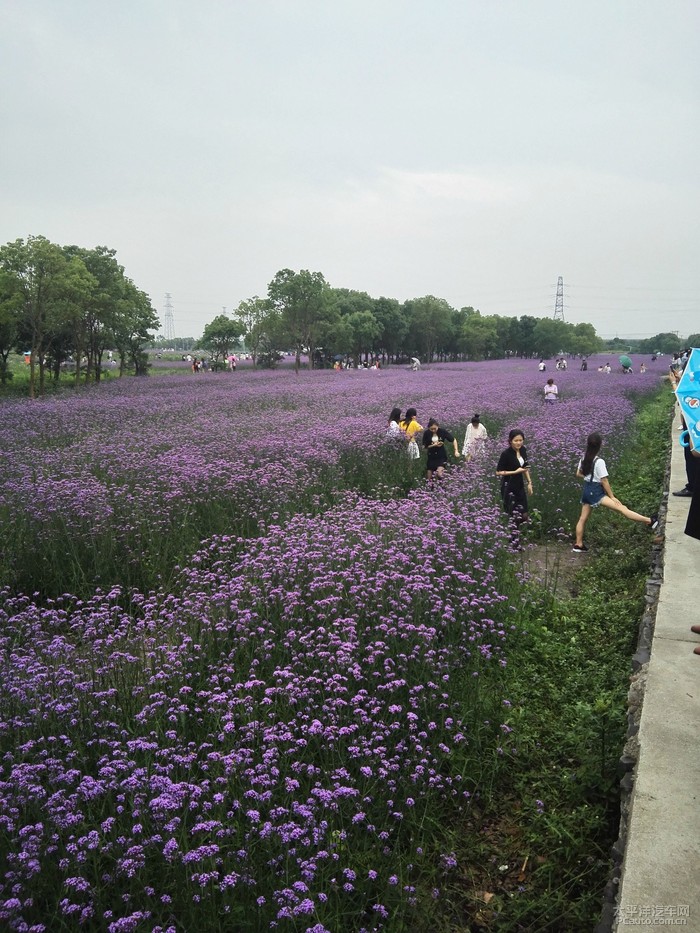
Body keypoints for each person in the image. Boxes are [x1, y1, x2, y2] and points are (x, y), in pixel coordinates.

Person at [572, 432, 659, 552]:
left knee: (582, 519)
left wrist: (588, 476)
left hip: (587, 490)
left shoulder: (583, 458)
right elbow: (604, 480)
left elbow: (578, 474)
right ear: (599, 446)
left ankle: (578, 544)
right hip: (597, 492)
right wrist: (612, 496)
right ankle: (650, 521)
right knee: (622, 508)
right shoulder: (599, 461)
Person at [496, 429, 533, 529]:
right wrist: (515, 472)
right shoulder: (506, 454)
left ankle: (513, 534)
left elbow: (525, 467)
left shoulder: (523, 450)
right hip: (508, 486)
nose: (518, 443)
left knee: (524, 516)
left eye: (520, 440)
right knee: (514, 516)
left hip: (519, 486)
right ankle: (513, 542)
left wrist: (529, 482)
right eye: (516, 440)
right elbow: (498, 472)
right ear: (510, 441)